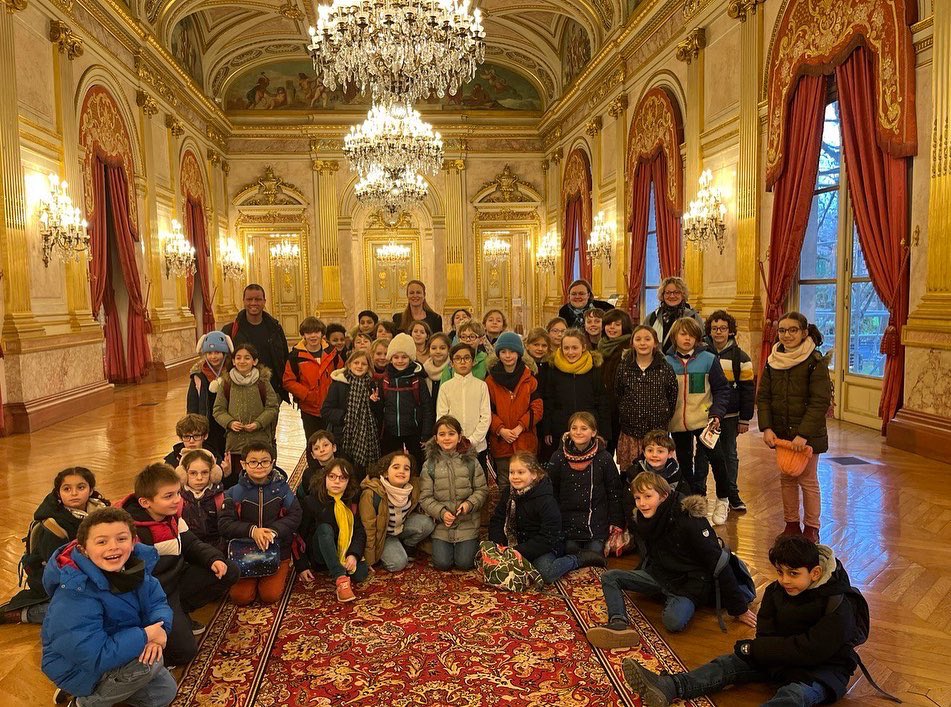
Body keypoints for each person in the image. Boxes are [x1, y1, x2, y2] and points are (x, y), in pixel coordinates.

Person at [621, 534, 869, 707]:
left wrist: (757, 649)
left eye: (793, 574)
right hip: (780, 658)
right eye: (780, 572)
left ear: (815, 573)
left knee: (794, 696)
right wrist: (756, 651)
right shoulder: (775, 591)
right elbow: (766, 634)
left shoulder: (839, 603)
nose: (784, 580)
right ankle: (671, 686)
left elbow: (812, 649)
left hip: (825, 670)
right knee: (727, 664)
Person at [586, 472, 755, 645]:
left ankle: (679, 602)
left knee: (673, 622)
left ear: (663, 495)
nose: (642, 503)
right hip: (661, 575)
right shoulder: (644, 519)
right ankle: (618, 623)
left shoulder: (689, 520)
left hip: (688, 584)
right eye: (637, 498)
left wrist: (739, 608)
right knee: (610, 577)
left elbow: (718, 562)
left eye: (648, 496)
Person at [40, 507, 178, 707]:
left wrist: (161, 629)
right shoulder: (75, 592)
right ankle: (84, 702)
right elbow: (94, 654)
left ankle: (110, 689)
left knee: (164, 692)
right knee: (150, 665)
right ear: (83, 549)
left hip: (119, 646)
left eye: (121, 539)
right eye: (102, 542)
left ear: (133, 542)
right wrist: (147, 635)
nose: (113, 547)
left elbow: (158, 603)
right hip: (79, 665)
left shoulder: (134, 569)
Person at [117, 463, 239, 666]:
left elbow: (191, 543)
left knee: (229, 570)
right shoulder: (130, 532)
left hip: (176, 579)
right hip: (156, 594)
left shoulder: (171, 515)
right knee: (184, 653)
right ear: (145, 502)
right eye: (168, 496)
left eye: (177, 493)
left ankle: (181, 612)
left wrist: (213, 559)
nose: (177, 500)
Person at [757, 312, 832, 544]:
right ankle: (791, 524)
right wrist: (767, 427)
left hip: (808, 435)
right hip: (782, 433)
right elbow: (764, 398)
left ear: (804, 332)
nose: (786, 335)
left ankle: (811, 527)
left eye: (792, 330)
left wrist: (803, 435)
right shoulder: (773, 361)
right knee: (787, 478)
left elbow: (820, 401)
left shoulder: (814, 362)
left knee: (807, 480)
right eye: (782, 330)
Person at [1, 467, 109, 626]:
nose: (74, 493)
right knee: (86, 609)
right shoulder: (53, 525)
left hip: (94, 570)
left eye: (81, 487)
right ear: (58, 493)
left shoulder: (102, 511)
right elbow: (58, 567)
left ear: (91, 490)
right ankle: (24, 613)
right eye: (67, 489)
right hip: (53, 578)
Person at [488, 451, 602, 584]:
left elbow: (550, 535)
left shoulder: (545, 499)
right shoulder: (509, 493)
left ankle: (577, 559)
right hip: (516, 543)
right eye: (511, 472)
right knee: (494, 566)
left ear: (534, 474)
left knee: (545, 573)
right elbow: (498, 519)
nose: (515, 477)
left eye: (521, 472)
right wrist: (498, 545)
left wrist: (519, 551)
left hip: (544, 546)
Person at [219, 442, 302, 606]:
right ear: (243, 464)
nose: (259, 466)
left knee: (270, 596)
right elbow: (224, 523)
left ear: (272, 463)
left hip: (276, 549)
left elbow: (296, 514)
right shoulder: (233, 493)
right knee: (241, 597)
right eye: (253, 462)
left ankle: (278, 570)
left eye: (265, 461)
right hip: (243, 551)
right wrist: (252, 531)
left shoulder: (283, 490)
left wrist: (273, 531)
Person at [666, 317, 731, 521]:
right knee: (684, 464)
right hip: (677, 424)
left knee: (718, 461)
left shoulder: (709, 359)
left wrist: (716, 413)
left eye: (692, 335)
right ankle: (694, 502)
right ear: (675, 336)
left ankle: (723, 500)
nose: (687, 339)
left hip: (705, 422)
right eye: (683, 334)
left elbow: (722, 389)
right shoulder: (666, 361)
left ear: (698, 338)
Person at [697, 310, 755, 513]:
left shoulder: (741, 357)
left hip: (730, 416)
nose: (718, 332)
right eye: (714, 328)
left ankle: (732, 495)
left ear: (730, 331)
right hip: (704, 414)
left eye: (723, 328)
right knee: (702, 456)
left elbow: (748, 389)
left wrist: (745, 419)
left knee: (729, 454)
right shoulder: (701, 353)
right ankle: (699, 494)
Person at [546, 412, 623, 559]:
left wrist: (615, 520)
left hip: (595, 523)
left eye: (584, 428)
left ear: (593, 432)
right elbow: (551, 490)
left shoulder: (604, 458)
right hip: (567, 523)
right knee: (570, 551)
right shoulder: (558, 457)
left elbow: (614, 491)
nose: (578, 432)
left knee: (593, 555)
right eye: (574, 428)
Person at [418, 416, 488, 571]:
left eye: (451, 434)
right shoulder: (429, 465)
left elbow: (482, 490)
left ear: (459, 437)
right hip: (442, 525)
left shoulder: (471, 462)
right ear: (436, 439)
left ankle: (468, 545)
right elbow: (425, 497)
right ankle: (431, 544)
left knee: (464, 563)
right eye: (442, 434)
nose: (447, 438)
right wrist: (441, 513)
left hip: (467, 522)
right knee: (442, 564)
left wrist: (469, 504)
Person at [296, 459, 369, 603]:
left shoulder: (350, 500)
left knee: (360, 574)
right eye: (332, 476)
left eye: (342, 478)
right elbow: (298, 535)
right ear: (325, 477)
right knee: (324, 528)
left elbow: (359, 531)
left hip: (342, 549)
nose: (337, 482)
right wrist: (302, 566)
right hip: (319, 552)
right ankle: (340, 577)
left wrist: (353, 555)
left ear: (348, 481)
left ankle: (341, 565)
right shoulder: (311, 501)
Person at [485, 332, 544, 492]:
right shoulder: (490, 381)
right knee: (505, 482)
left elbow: (537, 408)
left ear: (519, 353)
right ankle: (507, 516)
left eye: (511, 351)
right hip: (501, 442)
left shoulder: (529, 379)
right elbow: (487, 410)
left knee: (528, 482)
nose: (508, 355)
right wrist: (501, 430)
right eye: (503, 352)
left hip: (525, 440)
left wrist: (519, 428)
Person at [615, 325, 678, 471]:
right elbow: (618, 394)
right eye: (638, 339)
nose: (643, 343)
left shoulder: (665, 368)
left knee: (656, 472)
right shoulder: (624, 367)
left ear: (655, 343)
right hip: (631, 431)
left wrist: (663, 416)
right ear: (632, 343)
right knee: (631, 472)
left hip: (656, 431)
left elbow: (672, 395)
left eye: (647, 339)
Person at [359, 451, 435, 572]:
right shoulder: (371, 494)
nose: (401, 471)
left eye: (406, 468)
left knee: (427, 524)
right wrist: (369, 560)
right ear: (385, 472)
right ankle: (393, 549)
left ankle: (407, 545)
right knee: (398, 564)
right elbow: (369, 529)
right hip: (384, 536)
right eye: (396, 467)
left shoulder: (413, 487)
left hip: (401, 527)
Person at [213, 343, 281, 468]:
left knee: (260, 472)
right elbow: (218, 410)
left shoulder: (263, 382)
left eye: (247, 358)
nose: (242, 361)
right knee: (237, 477)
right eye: (238, 358)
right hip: (235, 444)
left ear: (254, 361)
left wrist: (258, 423)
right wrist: (230, 422)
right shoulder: (226, 383)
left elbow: (272, 407)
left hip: (260, 440)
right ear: (233, 361)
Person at [543, 328, 611, 451]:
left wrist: (604, 432)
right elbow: (549, 400)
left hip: (588, 429)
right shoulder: (553, 369)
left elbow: (602, 402)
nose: (570, 352)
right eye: (566, 348)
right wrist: (547, 429)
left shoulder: (594, 369)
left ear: (583, 347)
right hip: (560, 428)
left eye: (575, 348)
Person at [222, 284, 289, 404]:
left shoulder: (275, 328)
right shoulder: (230, 330)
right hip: (240, 391)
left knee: (270, 423)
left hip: (271, 391)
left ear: (264, 301)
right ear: (243, 301)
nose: (253, 303)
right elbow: (221, 360)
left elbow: (284, 357)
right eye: (249, 299)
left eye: (258, 299)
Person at [321, 351, 382, 478]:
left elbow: (378, 414)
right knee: (344, 470)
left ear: (369, 367)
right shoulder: (339, 384)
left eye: (364, 364)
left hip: (366, 437)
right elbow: (326, 410)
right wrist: (345, 417)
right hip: (343, 435)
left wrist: (374, 402)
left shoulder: (372, 384)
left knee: (360, 472)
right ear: (349, 364)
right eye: (356, 363)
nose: (359, 366)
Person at [379, 333, 435, 470]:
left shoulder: (418, 380)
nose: (400, 361)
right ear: (390, 358)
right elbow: (380, 408)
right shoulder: (385, 380)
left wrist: (426, 434)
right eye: (396, 357)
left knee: (416, 466)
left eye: (404, 357)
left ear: (410, 359)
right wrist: (374, 402)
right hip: (390, 432)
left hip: (413, 432)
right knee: (391, 465)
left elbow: (428, 408)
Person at [283, 317, 343, 442]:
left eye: (316, 332)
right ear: (303, 335)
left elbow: (341, 373)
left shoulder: (332, 353)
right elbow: (288, 381)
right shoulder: (296, 356)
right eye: (309, 333)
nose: (313, 336)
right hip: (309, 409)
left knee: (332, 441)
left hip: (331, 406)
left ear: (322, 334)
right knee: (313, 442)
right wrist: (306, 394)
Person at [436, 343, 492, 470]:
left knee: (477, 482)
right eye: (458, 358)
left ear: (473, 362)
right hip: (452, 446)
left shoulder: (481, 386)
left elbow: (486, 416)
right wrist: (454, 440)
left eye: (467, 358)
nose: (463, 362)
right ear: (452, 363)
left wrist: (471, 441)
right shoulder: (446, 387)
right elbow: (442, 417)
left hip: (477, 447)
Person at [187, 331, 233, 460]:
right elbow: (192, 402)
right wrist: (193, 424)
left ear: (224, 353)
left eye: (217, 352)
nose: (213, 356)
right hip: (206, 422)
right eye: (209, 353)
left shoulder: (232, 373)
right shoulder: (198, 375)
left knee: (227, 453)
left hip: (227, 422)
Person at [597, 309, 633, 455]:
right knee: (605, 452)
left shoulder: (629, 349)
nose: (612, 328)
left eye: (617, 324)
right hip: (605, 409)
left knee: (626, 454)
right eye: (608, 324)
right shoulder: (601, 346)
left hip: (623, 409)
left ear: (624, 326)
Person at [176, 449, 225, 549]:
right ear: (183, 475)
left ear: (212, 473)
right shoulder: (178, 500)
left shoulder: (221, 498)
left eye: (204, 472)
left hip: (218, 549)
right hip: (189, 551)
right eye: (193, 473)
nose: (199, 478)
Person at [644, 276, 704, 353]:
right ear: (662, 295)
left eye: (676, 292)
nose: (672, 296)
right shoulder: (652, 317)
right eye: (668, 293)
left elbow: (700, 343)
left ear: (683, 295)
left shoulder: (693, 317)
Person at [422, 332, 451, 399]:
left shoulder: (453, 369)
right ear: (429, 350)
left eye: (442, 348)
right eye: (434, 348)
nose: (438, 351)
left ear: (448, 349)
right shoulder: (424, 370)